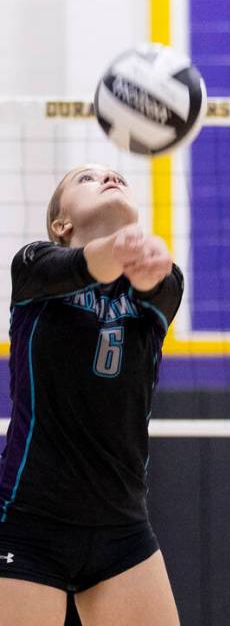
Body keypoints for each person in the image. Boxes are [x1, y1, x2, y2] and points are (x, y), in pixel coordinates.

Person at [0, 164, 182, 625]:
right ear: (62, 224)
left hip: (121, 528)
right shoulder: (34, 268)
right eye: (86, 178)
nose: (108, 178)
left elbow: (152, 283)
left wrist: (147, 264)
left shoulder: (163, 287)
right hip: (28, 523)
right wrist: (123, 248)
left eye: (118, 175)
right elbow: (88, 264)